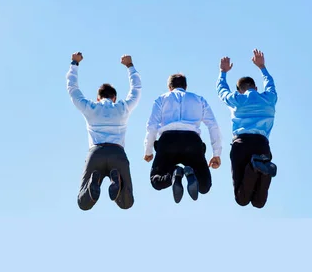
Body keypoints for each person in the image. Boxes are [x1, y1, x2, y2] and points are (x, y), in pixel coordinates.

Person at [66, 51, 142, 211]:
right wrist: (130, 66)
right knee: (127, 202)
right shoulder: (122, 108)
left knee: (83, 202)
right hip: (117, 154)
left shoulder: (91, 107)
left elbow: (72, 90)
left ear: (98, 98)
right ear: (114, 98)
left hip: (96, 153)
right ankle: (117, 183)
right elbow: (136, 90)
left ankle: (95, 182)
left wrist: (74, 63)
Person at [144, 73, 222, 203]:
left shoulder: (161, 99)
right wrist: (216, 153)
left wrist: (148, 151)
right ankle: (190, 173)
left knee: (157, 180)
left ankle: (174, 173)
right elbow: (213, 125)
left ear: (169, 87)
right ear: (185, 86)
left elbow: (151, 126)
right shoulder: (199, 99)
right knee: (204, 186)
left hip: (168, 141)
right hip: (191, 141)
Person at [216, 49, 278, 208]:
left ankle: (254, 165)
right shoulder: (269, 99)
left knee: (242, 199)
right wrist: (262, 67)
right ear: (256, 88)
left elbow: (222, 92)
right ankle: (261, 166)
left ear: (239, 90)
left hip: (242, 144)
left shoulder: (237, 99)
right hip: (261, 145)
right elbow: (270, 85)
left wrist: (223, 73)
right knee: (259, 203)